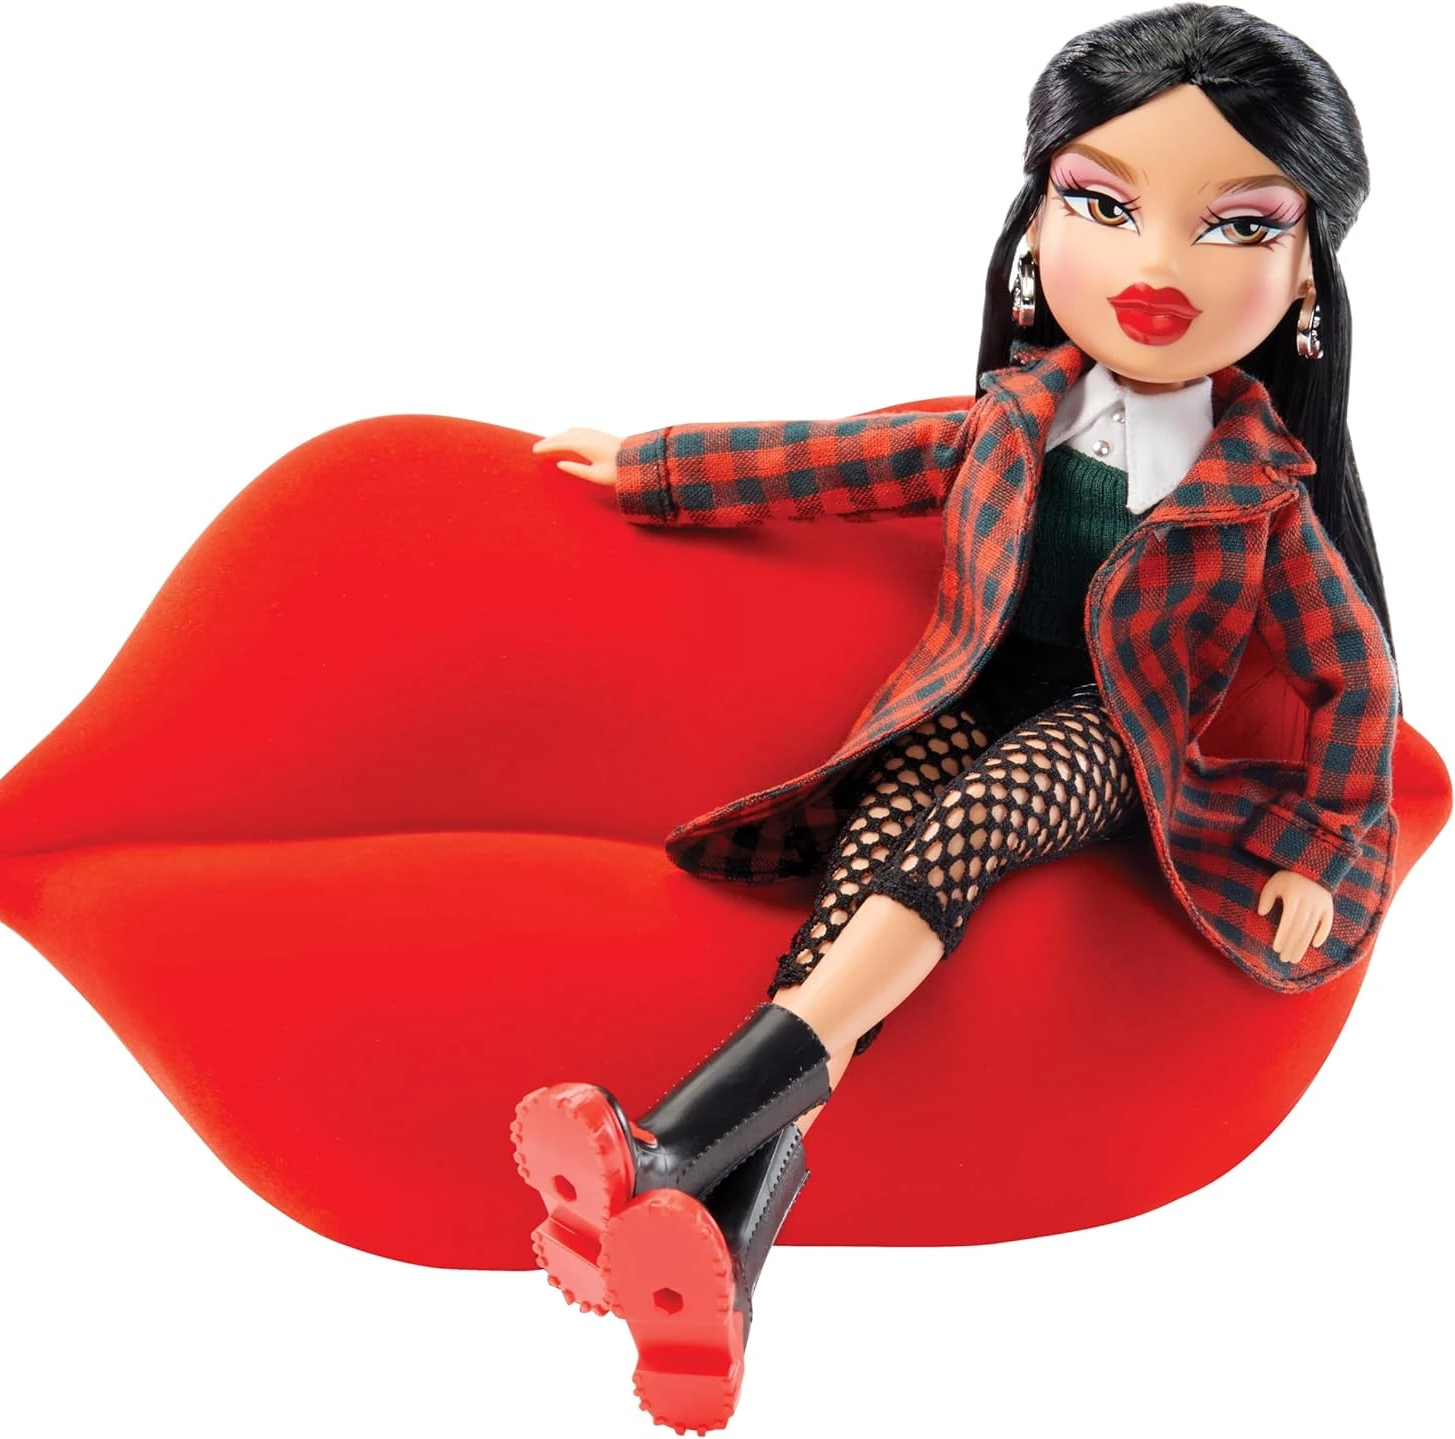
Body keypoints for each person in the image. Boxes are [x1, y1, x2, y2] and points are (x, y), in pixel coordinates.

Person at [511, 5, 1401, 1430]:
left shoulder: (1264, 497)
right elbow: (832, 461)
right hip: (957, 692)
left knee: (966, 830)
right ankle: (717, 1261)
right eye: (1102, 204)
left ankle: (669, 1137)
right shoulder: (1008, 418)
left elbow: (1355, 681)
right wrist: (657, 464)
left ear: (1306, 274)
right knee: (864, 866)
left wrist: (1327, 849)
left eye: (1237, 225)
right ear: (1035, 223)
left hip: (1116, 736)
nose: (1157, 265)